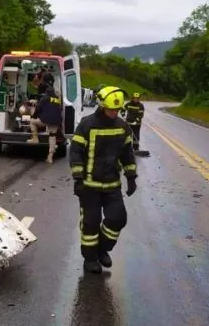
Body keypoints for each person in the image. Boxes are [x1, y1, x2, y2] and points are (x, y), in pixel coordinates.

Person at [70, 86, 137, 274]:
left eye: (117, 110)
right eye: (110, 109)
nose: (114, 113)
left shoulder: (123, 127)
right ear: (101, 105)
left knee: (118, 219)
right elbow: (75, 153)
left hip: (112, 186)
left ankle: (102, 249)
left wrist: (131, 176)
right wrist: (78, 179)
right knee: (91, 223)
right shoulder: (86, 125)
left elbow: (127, 154)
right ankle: (90, 258)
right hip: (89, 187)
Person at [27, 81, 62, 163]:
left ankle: (35, 139)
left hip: (45, 120)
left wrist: (34, 116)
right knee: (52, 136)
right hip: (56, 121)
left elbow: (38, 109)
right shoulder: (57, 99)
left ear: (46, 92)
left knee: (32, 121)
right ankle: (50, 157)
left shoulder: (44, 98)